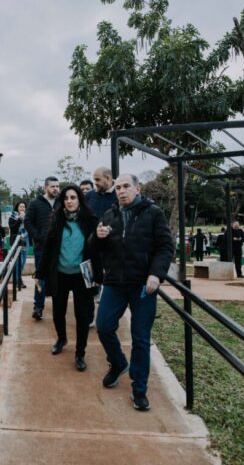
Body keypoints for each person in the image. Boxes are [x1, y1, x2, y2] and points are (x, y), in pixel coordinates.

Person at [92, 173, 173, 411]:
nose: (122, 191)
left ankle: (139, 389)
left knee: (140, 338)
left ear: (138, 188)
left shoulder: (153, 213)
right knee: (104, 326)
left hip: (143, 286)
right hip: (115, 283)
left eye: (126, 186)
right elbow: (93, 247)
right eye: (118, 188)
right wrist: (97, 237)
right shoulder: (110, 214)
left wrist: (156, 274)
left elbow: (166, 247)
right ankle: (117, 363)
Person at [35, 185, 101, 372]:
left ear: (80, 199)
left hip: (82, 276)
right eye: (66, 198)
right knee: (58, 312)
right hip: (60, 275)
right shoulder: (56, 221)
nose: (69, 201)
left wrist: (98, 276)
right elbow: (47, 250)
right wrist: (39, 275)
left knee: (82, 316)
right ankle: (61, 338)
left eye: (73, 197)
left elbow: (97, 251)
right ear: (62, 201)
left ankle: (80, 353)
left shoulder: (90, 220)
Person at [25, 176, 60, 321]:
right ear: (45, 187)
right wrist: (38, 237)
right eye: (52, 186)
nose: (56, 189)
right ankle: (38, 307)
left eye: (57, 186)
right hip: (42, 247)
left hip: (60, 247)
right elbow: (28, 222)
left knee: (59, 278)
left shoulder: (62, 202)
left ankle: (59, 308)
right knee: (41, 278)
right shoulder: (35, 203)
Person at [8, 201, 28, 288]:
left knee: (23, 263)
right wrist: (20, 219)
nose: (22, 208)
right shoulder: (12, 217)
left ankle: (17, 279)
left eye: (24, 206)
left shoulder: (28, 218)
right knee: (18, 262)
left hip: (25, 241)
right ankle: (18, 281)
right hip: (16, 242)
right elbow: (13, 229)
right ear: (17, 208)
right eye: (21, 206)